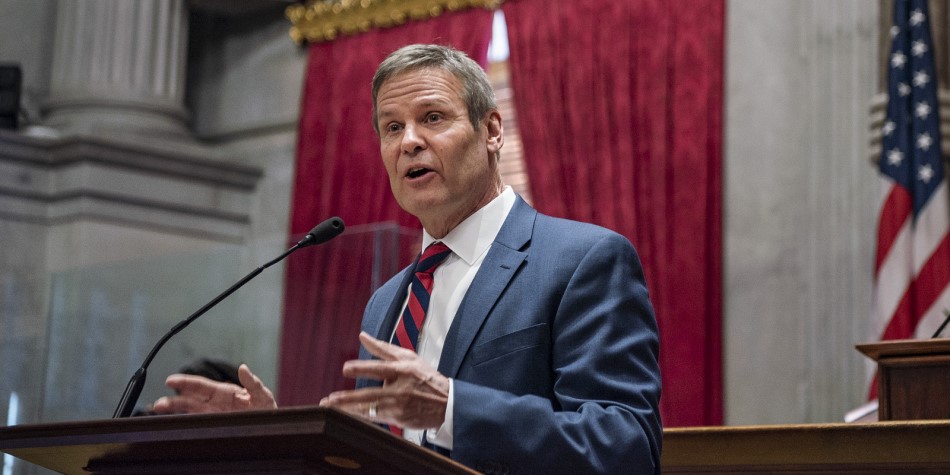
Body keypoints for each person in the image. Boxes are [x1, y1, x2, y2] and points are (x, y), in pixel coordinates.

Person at [152, 43, 662, 474]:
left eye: (432, 118)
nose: (409, 141)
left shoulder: (583, 260)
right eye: (391, 128)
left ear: (491, 131)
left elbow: (627, 446)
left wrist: (452, 409)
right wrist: (278, 440)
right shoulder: (386, 302)